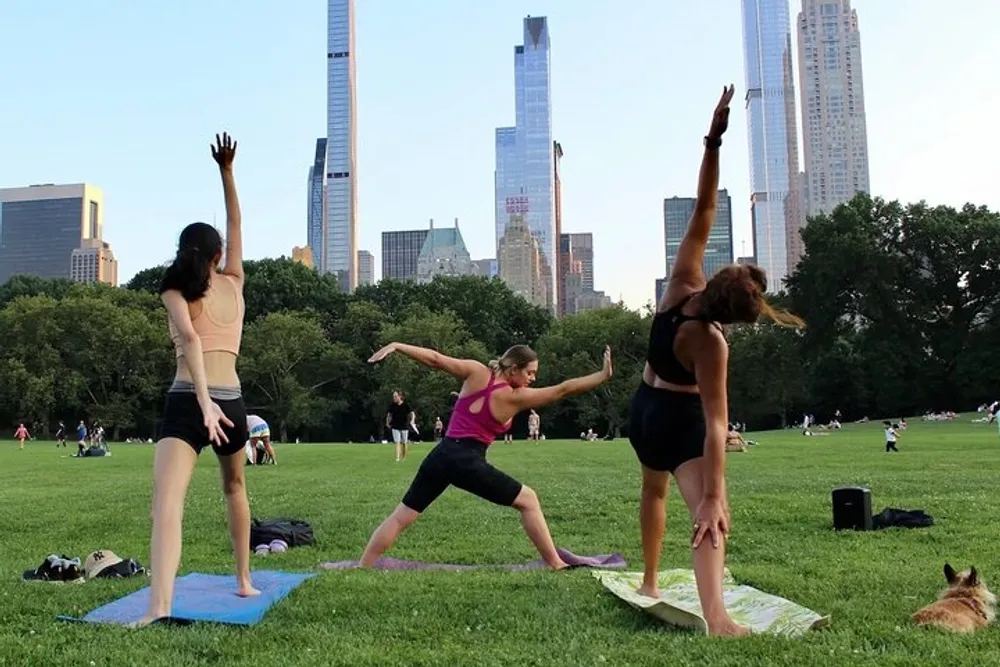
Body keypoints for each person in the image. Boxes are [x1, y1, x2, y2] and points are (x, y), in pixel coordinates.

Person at [627, 86, 805, 637]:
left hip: (642, 412)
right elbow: (714, 424)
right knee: (709, 520)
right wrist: (713, 494)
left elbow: (705, 205)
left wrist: (713, 139)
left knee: (651, 491)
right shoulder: (711, 343)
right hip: (678, 423)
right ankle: (718, 617)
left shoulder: (681, 282)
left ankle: (652, 581)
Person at [136, 132, 258, 627]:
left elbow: (188, 342)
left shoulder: (173, 288)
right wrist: (226, 171)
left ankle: (158, 609)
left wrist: (204, 405)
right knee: (235, 488)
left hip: (193, 400)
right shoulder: (235, 281)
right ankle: (244, 581)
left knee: (167, 501)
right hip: (232, 401)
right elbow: (236, 220)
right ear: (217, 255)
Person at [360, 342, 613, 569]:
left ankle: (364, 565)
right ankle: (555, 563)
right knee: (529, 500)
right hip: (466, 460)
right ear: (513, 368)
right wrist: (601, 376)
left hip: (442, 454)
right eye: (530, 372)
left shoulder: (476, 371)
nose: (533, 378)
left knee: (402, 515)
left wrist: (397, 346)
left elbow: (436, 360)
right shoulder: (513, 397)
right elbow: (563, 390)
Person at [386, 391, 414, 462]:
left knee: (404, 443)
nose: (394, 398)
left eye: (395, 396)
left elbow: (412, 413)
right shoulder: (392, 405)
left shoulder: (406, 405)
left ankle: (404, 457)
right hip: (395, 426)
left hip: (404, 426)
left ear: (400, 396)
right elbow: (389, 414)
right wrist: (387, 422)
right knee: (397, 442)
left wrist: (412, 420)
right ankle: (397, 457)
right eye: (393, 397)